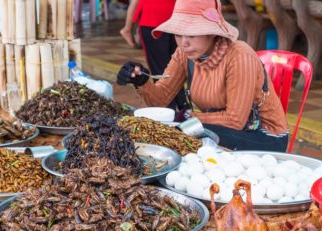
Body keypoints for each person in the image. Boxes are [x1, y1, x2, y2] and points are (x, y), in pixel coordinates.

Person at [116, 0, 288, 152]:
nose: (184, 42)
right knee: (164, 135)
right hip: (220, 128)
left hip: (263, 135)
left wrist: (188, 118)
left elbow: (235, 121)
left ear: (212, 32)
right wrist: (141, 80)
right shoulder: (185, 53)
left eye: (192, 34)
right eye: (178, 34)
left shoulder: (239, 56)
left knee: (183, 137)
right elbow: (160, 100)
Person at [119, 0, 188, 111]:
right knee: (175, 70)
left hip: (155, 18)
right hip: (174, 17)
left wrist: (129, 26)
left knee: (165, 70)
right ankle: (183, 110)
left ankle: (172, 112)